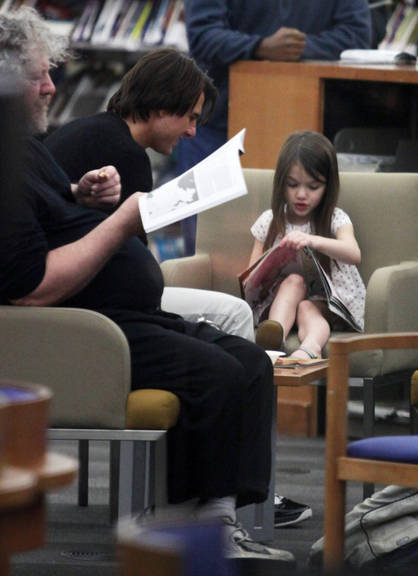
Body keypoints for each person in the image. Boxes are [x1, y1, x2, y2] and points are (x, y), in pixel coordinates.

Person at [0, 7, 294, 563]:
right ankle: (183, 528)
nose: (50, 86)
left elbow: (46, 213)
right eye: (38, 76)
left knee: (251, 362)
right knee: (218, 373)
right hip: (86, 328)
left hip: (114, 313)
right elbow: (30, 287)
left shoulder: (28, 146)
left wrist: (79, 194)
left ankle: (219, 516)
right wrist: (118, 222)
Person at [44, 48, 255, 342]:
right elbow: (132, 269)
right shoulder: (126, 155)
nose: (192, 132)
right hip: (93, 310)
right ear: (162, 107)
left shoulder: (92, 131)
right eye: (190, 118)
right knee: (236, 314)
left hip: (76, 298)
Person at [177, 0, 372, 256]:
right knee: (205, 244)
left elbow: (358, 35)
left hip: (312, 124)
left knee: (299, 256)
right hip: (217, 122)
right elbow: (202, 34)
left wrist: (299, 48)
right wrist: (258, 47)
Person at [249, 130, 366, 359]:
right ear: (281, 183)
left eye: (313, 187)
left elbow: (353, 253)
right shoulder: (270, 220)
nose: (301, 195)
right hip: (281, 298)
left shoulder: (335, 218)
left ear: (327, 187)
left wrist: (313, 241)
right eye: (292, 185)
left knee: (307, 308)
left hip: (326, 302)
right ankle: (274, 341)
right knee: (294, 282)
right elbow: (251, 275)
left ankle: (309, 349)